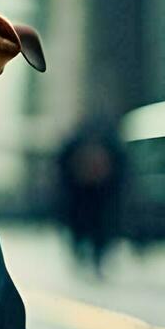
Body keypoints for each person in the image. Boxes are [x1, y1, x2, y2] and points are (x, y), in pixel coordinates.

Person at [55, 117, 124, 277]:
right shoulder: (79, 145)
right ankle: (88, 253)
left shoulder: (105, 146)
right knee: (84, 225)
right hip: (82, 194)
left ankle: (95, 256)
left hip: (97, 194)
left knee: (97, 226)